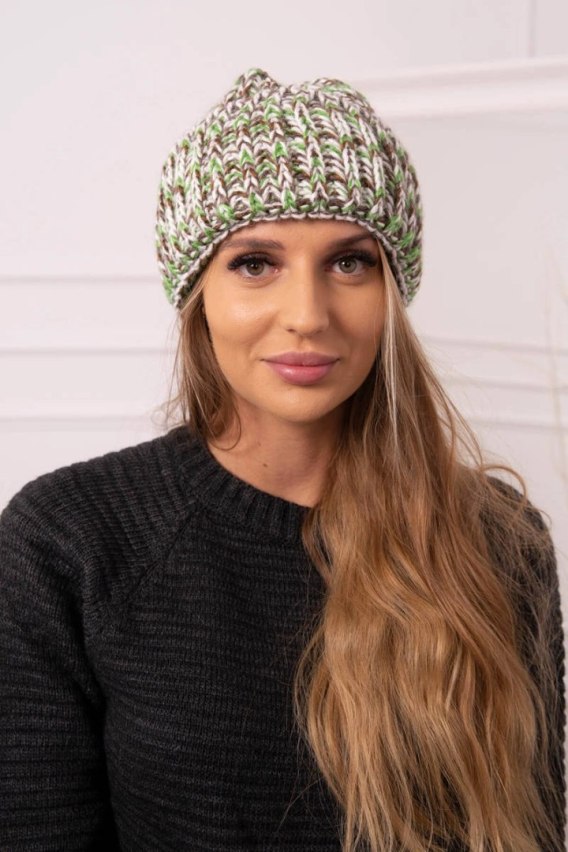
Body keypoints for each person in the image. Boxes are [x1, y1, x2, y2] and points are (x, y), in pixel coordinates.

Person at [0, 67, 565, 852]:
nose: (307, 314)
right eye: (255, 263)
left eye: (349, 262)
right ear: (198, 293)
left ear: (392, 291)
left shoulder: (497, 539)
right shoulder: (69, 541)